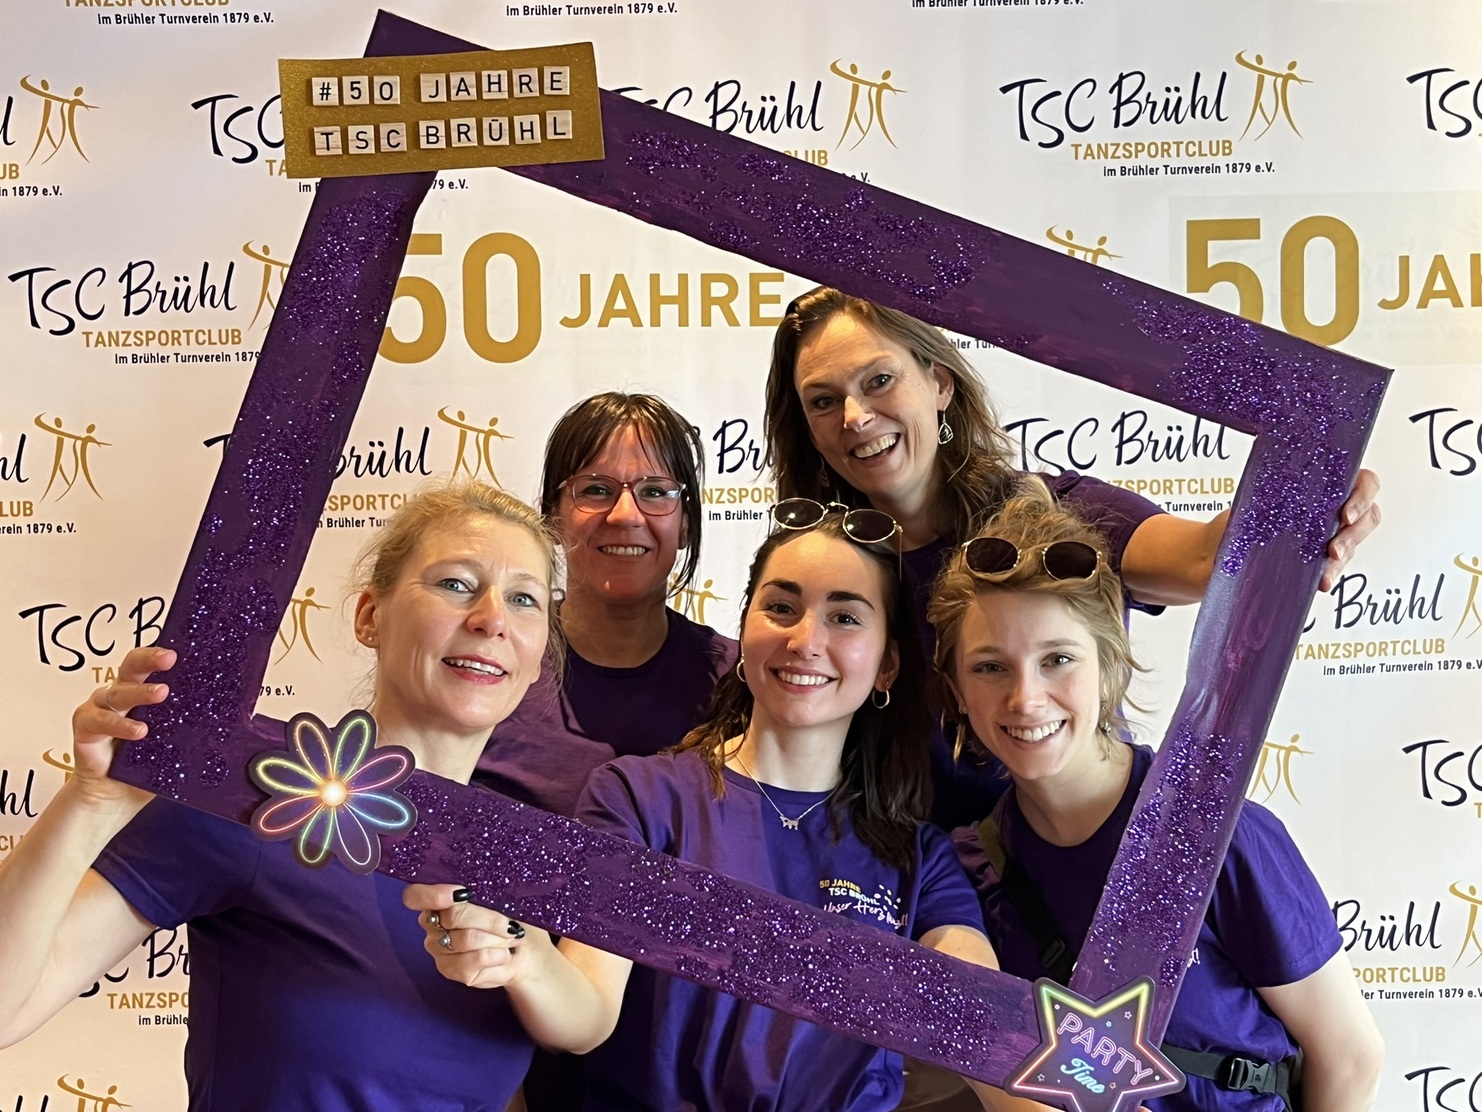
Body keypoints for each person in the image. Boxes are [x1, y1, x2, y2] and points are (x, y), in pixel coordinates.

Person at [0, 481, 618, 1111]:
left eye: (524, 600)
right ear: (370, 616)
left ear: (541, 650)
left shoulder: (519, 850)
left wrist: (528, 958)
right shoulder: (260, 798)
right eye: (456, 584)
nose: (491, 620)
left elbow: (587, 1022)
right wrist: (90, 803)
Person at [414, 502, 1050, 1112]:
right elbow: (585, 1013)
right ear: (744, 632)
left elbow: (979, 1027)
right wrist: (520, 955)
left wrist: (1087, 1084)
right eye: (781, 606)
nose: (806, 639)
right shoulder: (640, 797)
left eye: (846, 617)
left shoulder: (921, 857)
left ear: (886, 666)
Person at [763, 286, 1382, 828]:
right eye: (823, 400)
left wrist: (1311, 495)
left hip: (1077, 868)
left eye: (879, 380)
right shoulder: (822, 570)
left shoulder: (1054, 517)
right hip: (911, 889)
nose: (855, 416)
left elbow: (1205, 560)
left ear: (940, 382)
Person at [927, 480, 1384, 1111]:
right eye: (989, 666)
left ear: (1110, 666)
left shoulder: (1217, 833)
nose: (1025, 699)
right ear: (954, 690)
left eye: (1057, 659)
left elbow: (1351, 1058)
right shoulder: (966, 870)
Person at [475, 392, 737, 819]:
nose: (625, 516)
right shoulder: (490, 661)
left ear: (685, 524)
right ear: (551, 519)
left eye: (655, 492)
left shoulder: (740, 683)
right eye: (596, 490)